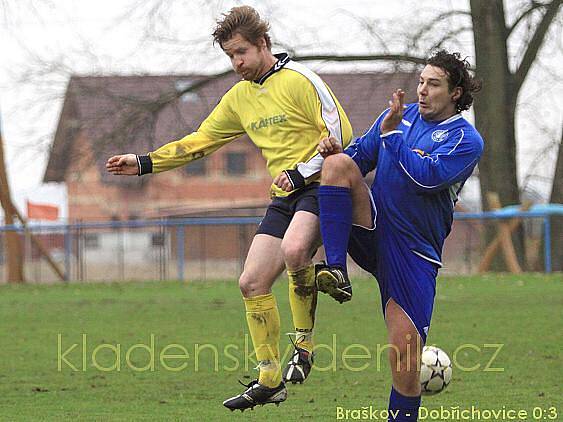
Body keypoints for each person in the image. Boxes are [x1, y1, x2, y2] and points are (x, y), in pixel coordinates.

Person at [105, 5, 353, 411]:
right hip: (284, 195)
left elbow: (342, 131)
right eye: (229, 56)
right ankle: (270, 379)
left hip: (320, 185)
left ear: (263, 45)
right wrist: (145, 162)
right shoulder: (239, 97)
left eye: (241, 53)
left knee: (294, 252)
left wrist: (300, 168)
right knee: (250, 282)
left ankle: (303, 347)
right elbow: (200, 141)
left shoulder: (301, 80)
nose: (236, 63)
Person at [315, 50, 483, 421]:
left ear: (455, 93)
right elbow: (356, 161)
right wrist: (334, 150)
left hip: (414, 254)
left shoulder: (466, 140)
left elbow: (426, 178)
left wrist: (391, 135)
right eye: (421, 81)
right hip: (374, 228)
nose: (422, 90)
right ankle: (335, 269)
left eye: (433, 84)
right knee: (338, 165)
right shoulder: (397, 118)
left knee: (404, 360)